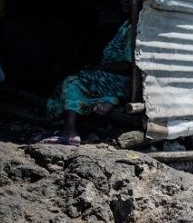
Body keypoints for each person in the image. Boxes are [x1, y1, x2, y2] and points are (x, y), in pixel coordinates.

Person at [43, 12, 133, 146]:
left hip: (122, 81)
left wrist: (99, 69)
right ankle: (108, 100)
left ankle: (70, 131)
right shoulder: (127, 23)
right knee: (74, 80)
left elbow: (129, 66)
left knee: (72, 82)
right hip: (111, 78)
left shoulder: (136, 28)